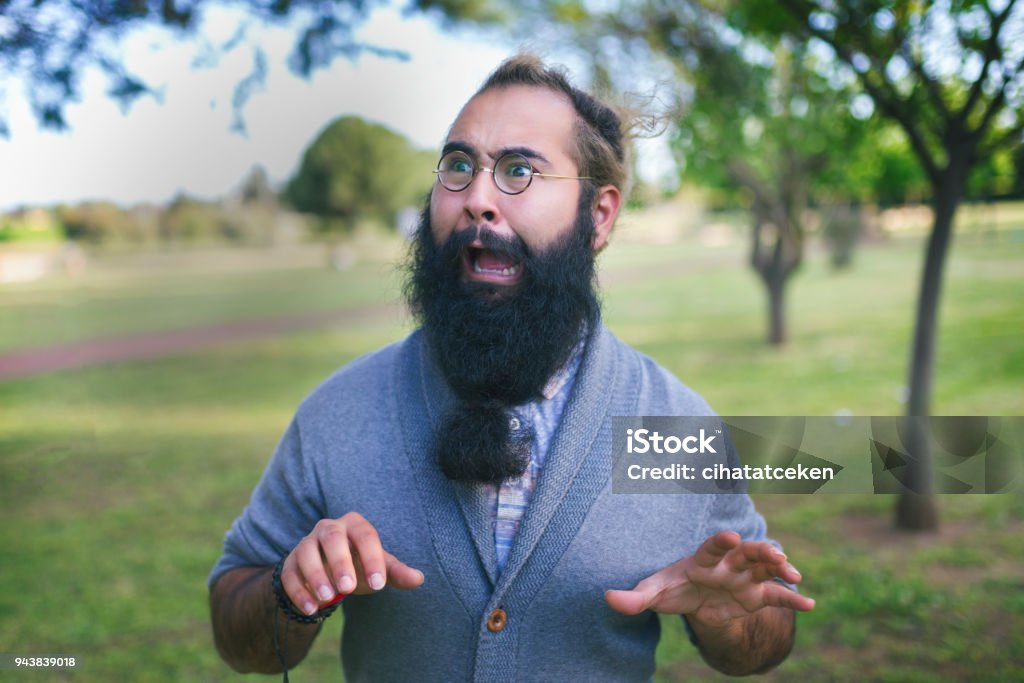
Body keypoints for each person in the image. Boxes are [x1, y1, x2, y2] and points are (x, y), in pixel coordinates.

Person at [208, 53, 814, 682]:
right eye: (459, 166)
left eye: (520, 170)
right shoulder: (340, 413)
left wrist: (730, 620)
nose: (476, 199)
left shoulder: (674, 427)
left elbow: (765, 639)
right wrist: (289, 590)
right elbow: (238, 634)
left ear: (599, 215)